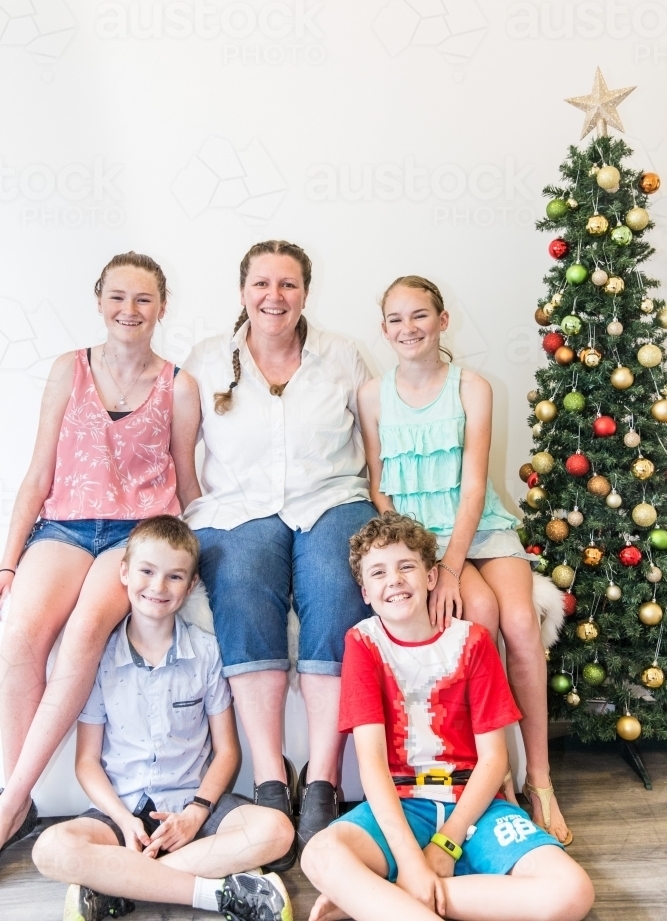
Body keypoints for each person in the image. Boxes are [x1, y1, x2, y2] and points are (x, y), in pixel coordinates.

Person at [357, 275, 571, 845]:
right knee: (479, 615)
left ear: (443, 320)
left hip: (478, 530)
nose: (409, 328)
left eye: (420, 315)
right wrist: (419, 559)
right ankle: (490, 774)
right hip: (418, 536)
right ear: (384, 330)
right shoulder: (372, 396)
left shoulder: (472, 387)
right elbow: (380, 487)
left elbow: (473, 488)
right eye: (396, 320)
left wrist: (449, 565)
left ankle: (541, 780)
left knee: (523, 621)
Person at [0, 252, 202, 854]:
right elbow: (38, 473)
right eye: (117, 297)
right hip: (63, 526)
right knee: (18, 636)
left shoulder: (178, 385)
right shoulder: (69, 369)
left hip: (136, 534)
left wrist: (200, 553)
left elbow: (188, 483)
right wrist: (8, 561)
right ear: (98, 301)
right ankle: (19, 794)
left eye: (143, 299)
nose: (129, 310)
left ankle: (7, 806)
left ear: (162, 308)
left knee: (87, 629)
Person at [183, 240, 377, 864]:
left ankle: (321, 779)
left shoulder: (342, 355)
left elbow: (375, 443)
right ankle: (271, 781)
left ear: (306, 293)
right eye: (262, 284)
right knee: (237, 581)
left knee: (334, 582)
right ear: (242, 292)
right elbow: (184, 453)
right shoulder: (207, 360)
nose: (275, 296)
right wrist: (198, 518)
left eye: (288, 284)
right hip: (236, 508)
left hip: (333, 499)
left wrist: (382, 514)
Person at [301, 513, 594, 921]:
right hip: (402, 804)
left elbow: (495, 760)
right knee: (319, 855)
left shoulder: (472, 641)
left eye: (407, 566)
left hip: (474, 807)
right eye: (379, 573)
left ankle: (386, 900)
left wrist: (443, 848)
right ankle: (405, 897)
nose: (395, 580)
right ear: (365, 592)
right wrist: (410, 860)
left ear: (432, 577)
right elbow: (371, 763)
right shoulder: (363, 643)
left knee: (572, 892)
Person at [32, 515, 294, 921]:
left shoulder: (206, 653)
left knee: (277, 830)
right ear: (124, 572)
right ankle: (214, 893)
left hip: (192, 810)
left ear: (190, 587)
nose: (158, 587)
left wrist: (196, 813)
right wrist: (123, 820)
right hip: (118, 814)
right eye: (147, 572)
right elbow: (86, 762)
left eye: (174, 577)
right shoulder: (101, 658)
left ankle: (117, 884)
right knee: (50, 848)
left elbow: (227, 752)